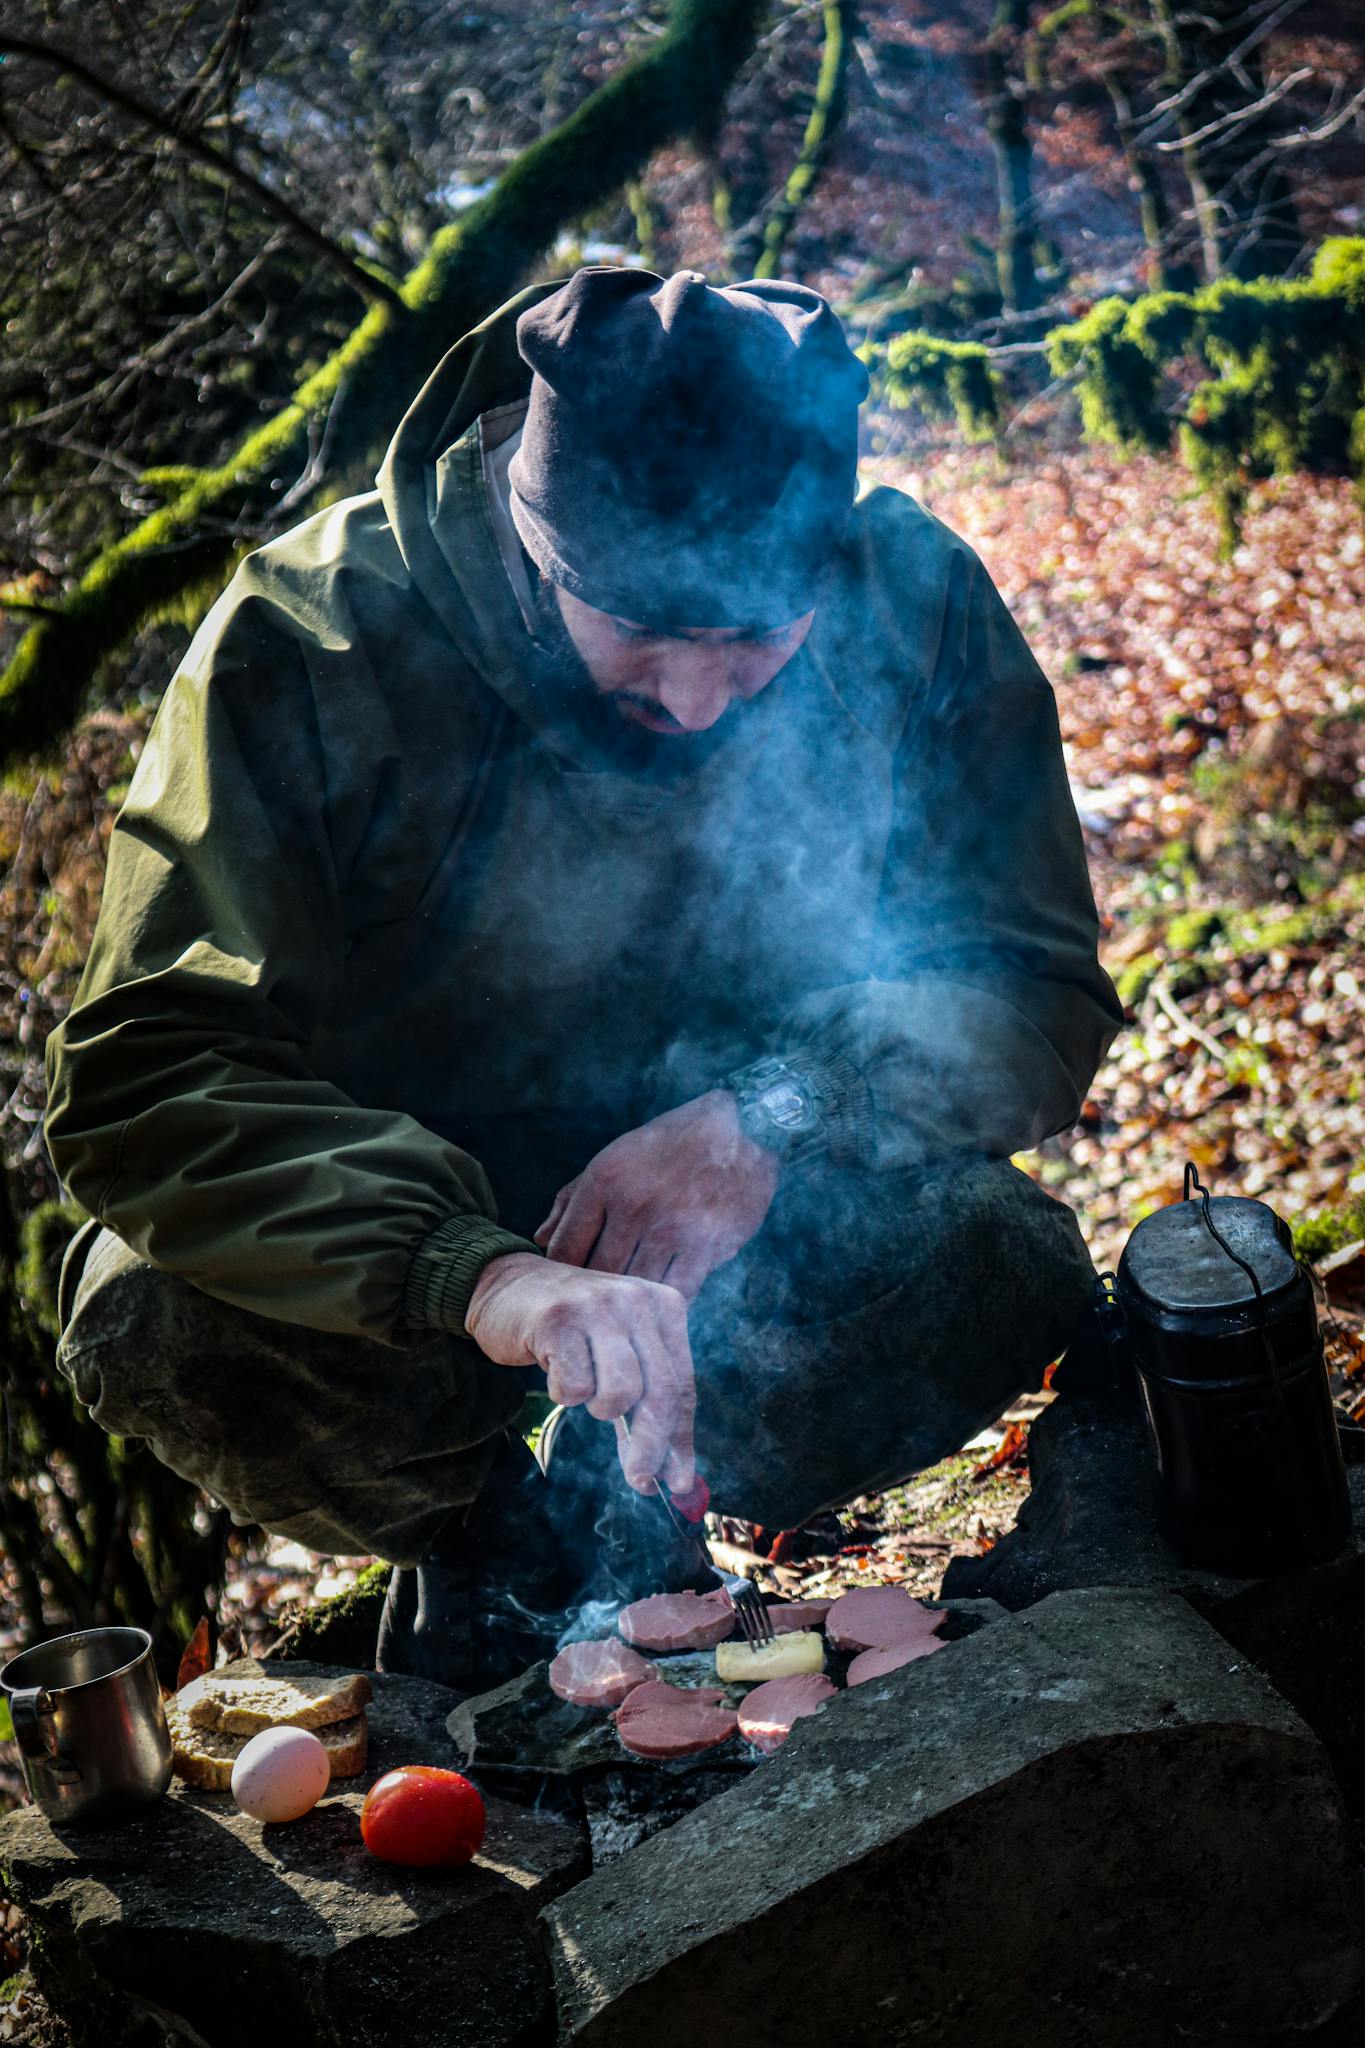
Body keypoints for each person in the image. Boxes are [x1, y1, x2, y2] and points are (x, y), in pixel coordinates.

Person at [44, 268, 1122, 1691]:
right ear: (533, 542)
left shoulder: (908, 605)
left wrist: (775, 1111)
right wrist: (473, 1275)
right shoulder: (313, 643)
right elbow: (149, 1082)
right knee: (148, 1320)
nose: (691, 700)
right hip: (423, 1244)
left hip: (760, 1217)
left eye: (750, 642)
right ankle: (485, 1538)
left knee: (997, 1258)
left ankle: (651, 1515)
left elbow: (1032, 988)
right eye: (643, 634)